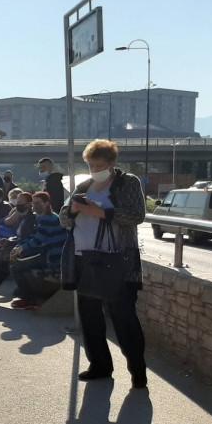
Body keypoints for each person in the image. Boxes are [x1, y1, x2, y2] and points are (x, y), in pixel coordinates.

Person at [59, 139, 147, 389]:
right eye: (90, 165)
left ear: (112, 163)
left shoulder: (128, 182)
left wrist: (102, 211)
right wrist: (73, 211)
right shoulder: (85, 185)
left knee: (124, 318)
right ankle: (99, 365)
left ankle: (138, 371)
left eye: (98, 165)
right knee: (90, 318)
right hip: (85, 260)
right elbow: (63, 219)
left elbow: (136, 215)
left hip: (119, 260)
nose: (94, 170)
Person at [8, 191, 68, 309]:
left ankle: (29, 299)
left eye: (38, 203)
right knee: (20, 264)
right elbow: (34, 237)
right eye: (33, 203)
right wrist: (19, 247)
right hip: (48, 255)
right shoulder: (44, 217)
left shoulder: (48, 219)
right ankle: (28, 296)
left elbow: (38, 240)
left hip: (53, 259)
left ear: (46, 203)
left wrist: (20, 249)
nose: (34, 205)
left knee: (16, 267)